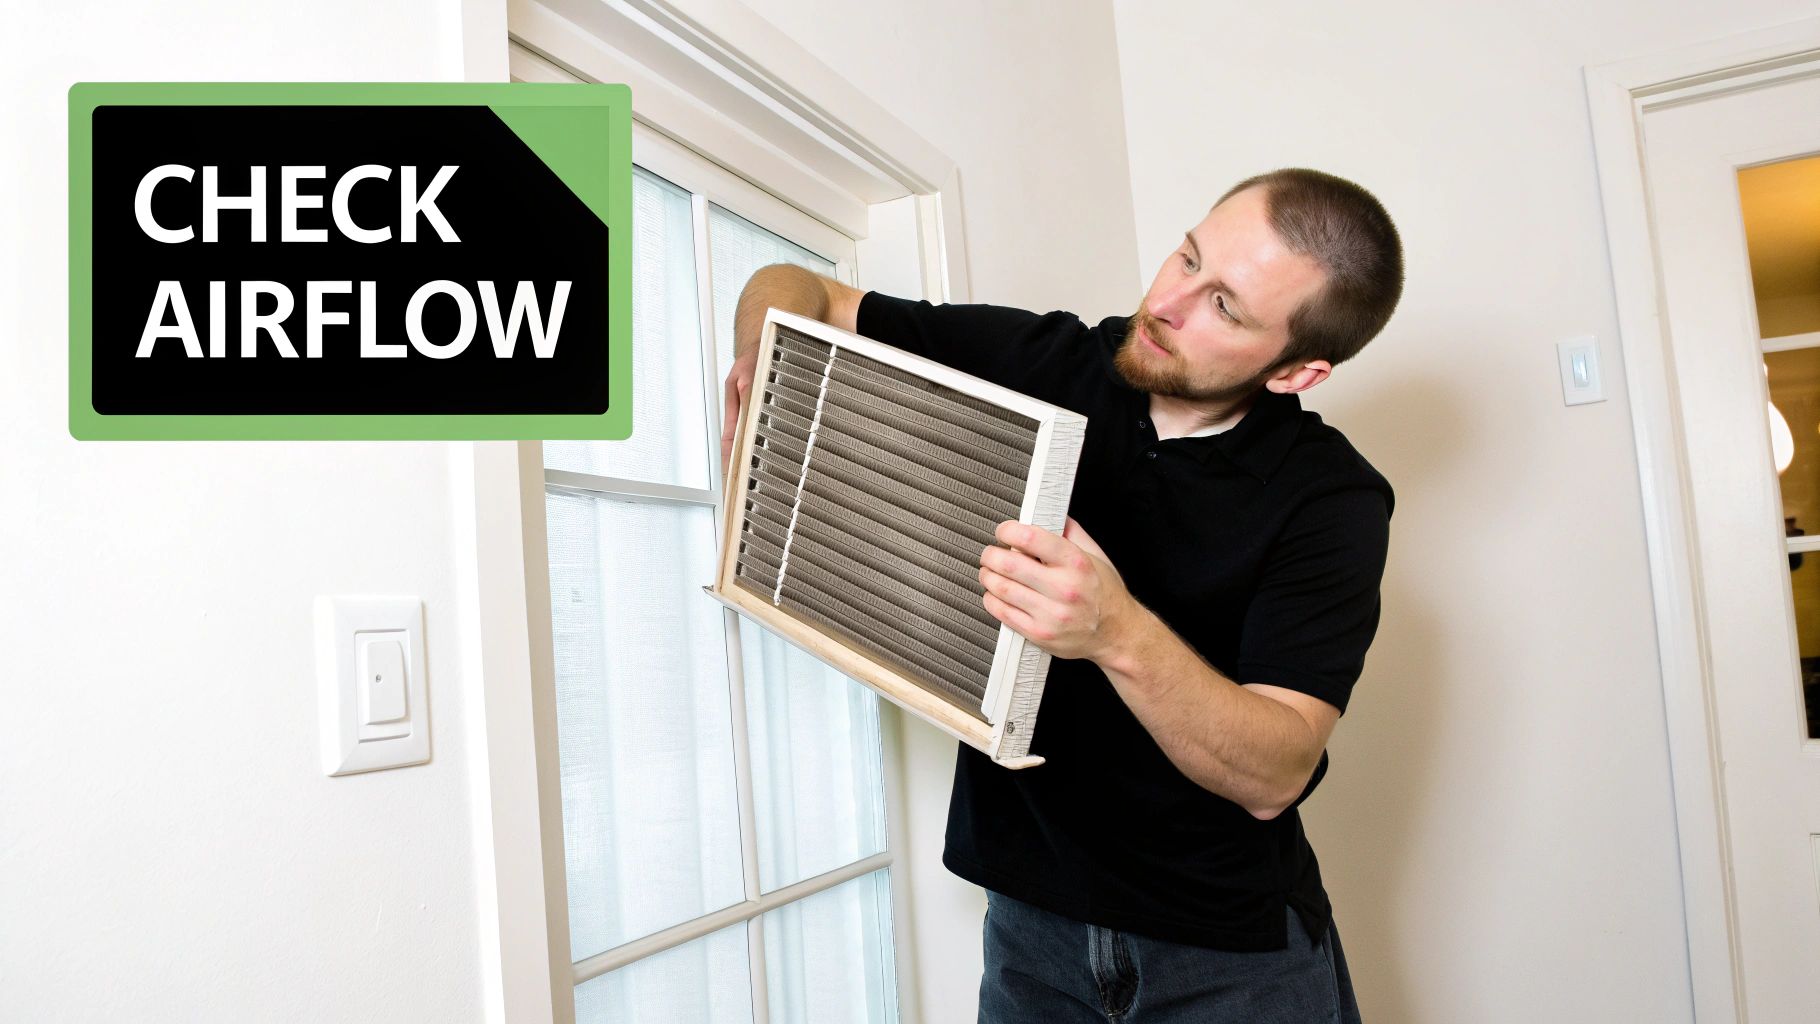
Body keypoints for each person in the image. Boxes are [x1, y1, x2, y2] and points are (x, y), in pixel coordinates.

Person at [722, 167, 1402, 1023]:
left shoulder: (1332, 500)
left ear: (1296, 373)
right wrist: (759, 365)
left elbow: (1278, 770)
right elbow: (799, 290)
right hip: (1029, 930)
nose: (1168, 303)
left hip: (1228, 957)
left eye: (1225, 307)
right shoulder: (1051, 358)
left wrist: (1117, 631)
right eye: (1187, 258)